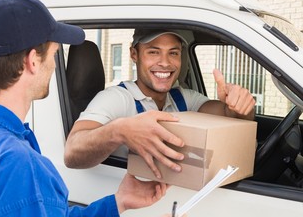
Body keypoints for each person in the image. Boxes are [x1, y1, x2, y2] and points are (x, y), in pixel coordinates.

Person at [0, 0, 170, 217]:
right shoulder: (19, 166)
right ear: (32, 61)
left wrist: (118, 202)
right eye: (54, 54)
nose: (53, 65)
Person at [64, 28, 256, 179]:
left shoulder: (182, 98)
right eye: (154, 52)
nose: (165, 63)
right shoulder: (116, 98)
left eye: (173, 53)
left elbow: (228, 116)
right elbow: (71, 152)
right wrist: (119, 131)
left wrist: (239, 105)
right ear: (134, 54)